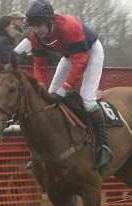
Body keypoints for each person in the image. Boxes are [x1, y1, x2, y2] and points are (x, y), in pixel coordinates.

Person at [25, 0, 113, 169]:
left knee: (87, 98)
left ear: (50, 20)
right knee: (49, 97)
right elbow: (39, 65)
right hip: (68, 55)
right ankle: (44, 150)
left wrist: (65, 88)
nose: (36, 30)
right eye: (33, 26)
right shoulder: (35, 36)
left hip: (91, 52)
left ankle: (104, 146)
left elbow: (81, 61)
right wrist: (40, 86)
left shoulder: (69, 25)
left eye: (39, 25)